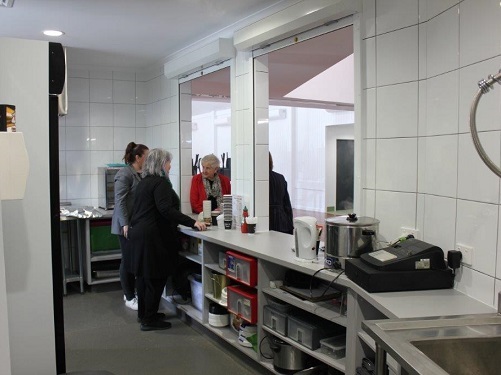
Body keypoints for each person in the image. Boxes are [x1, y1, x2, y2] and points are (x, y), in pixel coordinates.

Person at [127, 148, 207, 331]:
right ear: (161, 164)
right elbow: (166, 209)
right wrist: (192, 222)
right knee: (156, 277)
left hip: (139, 234)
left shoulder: (144, 182)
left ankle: (146, 314)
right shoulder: (161, 183)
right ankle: (149, 320)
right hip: (152, 237)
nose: (170, 166)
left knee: (144, 278)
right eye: (168, 162)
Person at [111, 142, 149, 311]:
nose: (148, 161)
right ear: (137, 157)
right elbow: (119, 201)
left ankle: (134, 292)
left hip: (136, 225)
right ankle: (128, 296)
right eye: (146, 157)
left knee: (134, 260)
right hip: (124, 225)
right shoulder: (124, 174)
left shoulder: (141, 174)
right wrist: (125, 223)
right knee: (127, 260)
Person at [269, 152, 294, 234]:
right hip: (283, 223)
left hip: (268, 224)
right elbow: (287, 205)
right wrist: (290, 222)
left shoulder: (257, 181)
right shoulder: (280, 178)